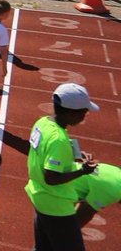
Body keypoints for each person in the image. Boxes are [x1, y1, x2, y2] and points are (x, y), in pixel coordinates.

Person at [26, 83, 100, 251]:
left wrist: (75, 153)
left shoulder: (43, 123)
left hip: (40, 197)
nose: (85, 115)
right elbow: (51, 177)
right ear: (71, 113)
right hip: (56, 205)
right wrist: (83, 171)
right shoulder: (58, 139)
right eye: (84, 111)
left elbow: (48, 149)